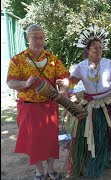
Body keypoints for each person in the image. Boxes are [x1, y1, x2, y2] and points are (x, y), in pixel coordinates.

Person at [58, 24, 111, 178]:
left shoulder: (108, 63)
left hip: (109, 102)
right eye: (94, 48)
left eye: (100, 47)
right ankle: (91, 158)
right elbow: (71, 81)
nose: (98, 50)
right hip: (90, 104)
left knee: (110, 132)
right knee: (90, 134)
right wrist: (65, 86)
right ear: (88, 50)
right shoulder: (81, 66)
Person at [6, 24, 69, 180]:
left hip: (49, 107)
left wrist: (64, 89)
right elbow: (10, 83)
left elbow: (66, 78)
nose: (39, 40)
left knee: (51, 141)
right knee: (34, 142)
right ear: (28, 38)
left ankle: (51, 169)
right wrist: (26, 84)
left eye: (41, 37)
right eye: (35, 37)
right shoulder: (18, 60)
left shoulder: (52, 59)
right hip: (28, 108)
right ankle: (39, 171)